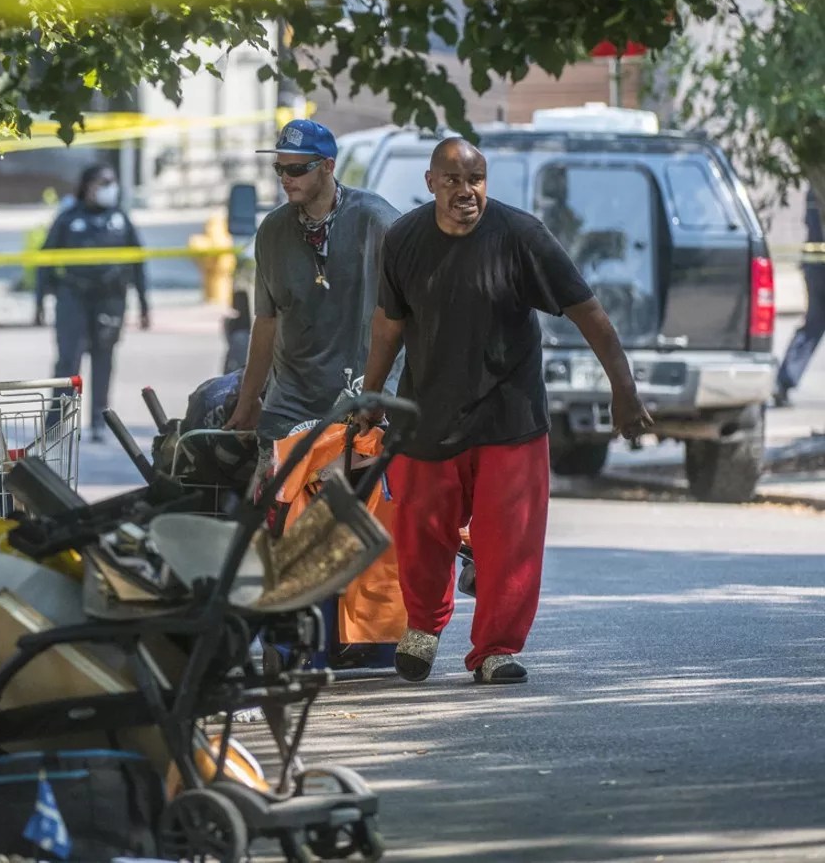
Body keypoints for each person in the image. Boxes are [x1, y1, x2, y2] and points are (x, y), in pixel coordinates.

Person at [360, 137, 653, 685]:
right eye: (452, 180)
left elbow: (587, 311)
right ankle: (422, 628)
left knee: (508, 540)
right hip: (426, 415)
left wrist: (624, 388)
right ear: (431, 184)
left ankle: (495, 648)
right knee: (422, 533)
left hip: (509, 417)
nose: (466, 191)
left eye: (476, 179)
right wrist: (371, 398)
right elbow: (388, 324)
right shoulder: (403, 239)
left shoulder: (521, 237)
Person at [221, 119, 404, 670]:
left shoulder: (376, 221)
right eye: (279, 169)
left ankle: (368, 643)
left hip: (361, 399)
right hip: (293, 402)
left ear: (328, 167)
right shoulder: (274, 232)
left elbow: (404, 316)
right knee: (287, 525)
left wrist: (387, 392)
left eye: (297, 168)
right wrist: (248, 404)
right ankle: (297, 643)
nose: (285, 178)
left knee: (360, 525)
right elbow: (266, 324)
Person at [34, 164, 150, 442]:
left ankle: (99, 421)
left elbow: (137, 263)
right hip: (73, 297)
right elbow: (44, 262)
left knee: (104, 359)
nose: (110, 188)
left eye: (112, 182)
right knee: (67, 363)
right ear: (87, 186)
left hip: (110, 299)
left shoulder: (120, 219)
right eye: (103, 183)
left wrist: (145, 305)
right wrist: (39, 302)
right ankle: (56, 424)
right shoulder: (68, 218)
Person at [774, 187, 824, 407]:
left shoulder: (815, 188)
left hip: (814, 267)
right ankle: (784, 380)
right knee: (814, 324)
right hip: (816, 267)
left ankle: (784, 381)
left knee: (813, 324)